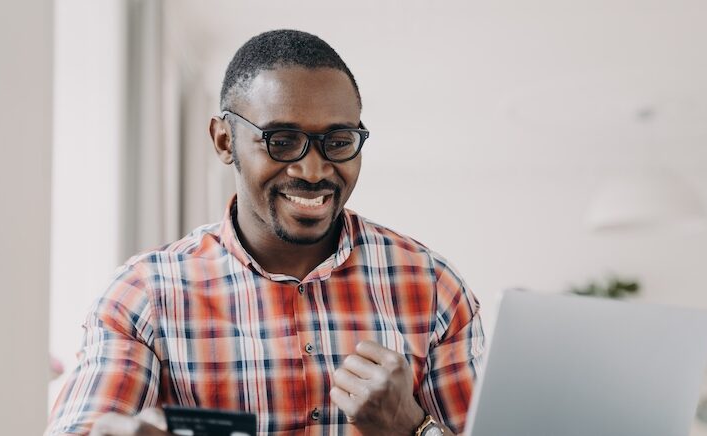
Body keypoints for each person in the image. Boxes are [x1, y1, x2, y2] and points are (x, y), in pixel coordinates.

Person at [46, 29, 484, 436]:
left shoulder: (432, 288)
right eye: (281, 140)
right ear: (224, 140)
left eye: (339, 140)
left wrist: (413, 427)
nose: (313, 171)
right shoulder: (144, 296)